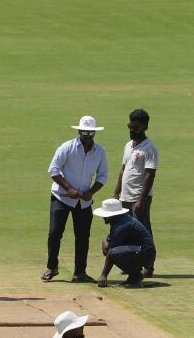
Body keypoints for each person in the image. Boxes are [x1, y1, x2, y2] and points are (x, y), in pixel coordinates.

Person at [42, 116, 108, 283]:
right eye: (85, 132)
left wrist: (91, 191)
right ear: (79, 131)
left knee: (83, 236)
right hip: (61, 197)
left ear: (94, 133)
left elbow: (102, 176)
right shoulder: (67, 147)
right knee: (55, 233)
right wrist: (69, 188)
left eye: (91, 132)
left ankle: (80, 272)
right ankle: (52, 267)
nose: (87, 135)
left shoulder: (100, 152)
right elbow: (53, 170)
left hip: (84, 201)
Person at [113, 108, 158, 277]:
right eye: (130, 126)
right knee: (127, 231)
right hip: (125, 197)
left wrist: (141, 199)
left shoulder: (150, 148)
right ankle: (131, 264)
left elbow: (150, 174)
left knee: (143, 231)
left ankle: (149, 266)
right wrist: (116, 193)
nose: (132, 130)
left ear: (145, 127)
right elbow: (123, 170)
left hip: (139, 198)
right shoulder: (128, 146)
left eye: (136, 127)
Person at [93, 199, 155, 288]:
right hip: (142, 251)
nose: (103, 217)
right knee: (113, 252)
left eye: (105, 215)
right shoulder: (120, 221)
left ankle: (135, 275)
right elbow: (109, 243)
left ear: (114, 215)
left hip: (145, 253)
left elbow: (110, 252)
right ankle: (135, 275)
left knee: (113, 253)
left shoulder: (122, 225)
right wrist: (105, 242)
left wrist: (104, 275)